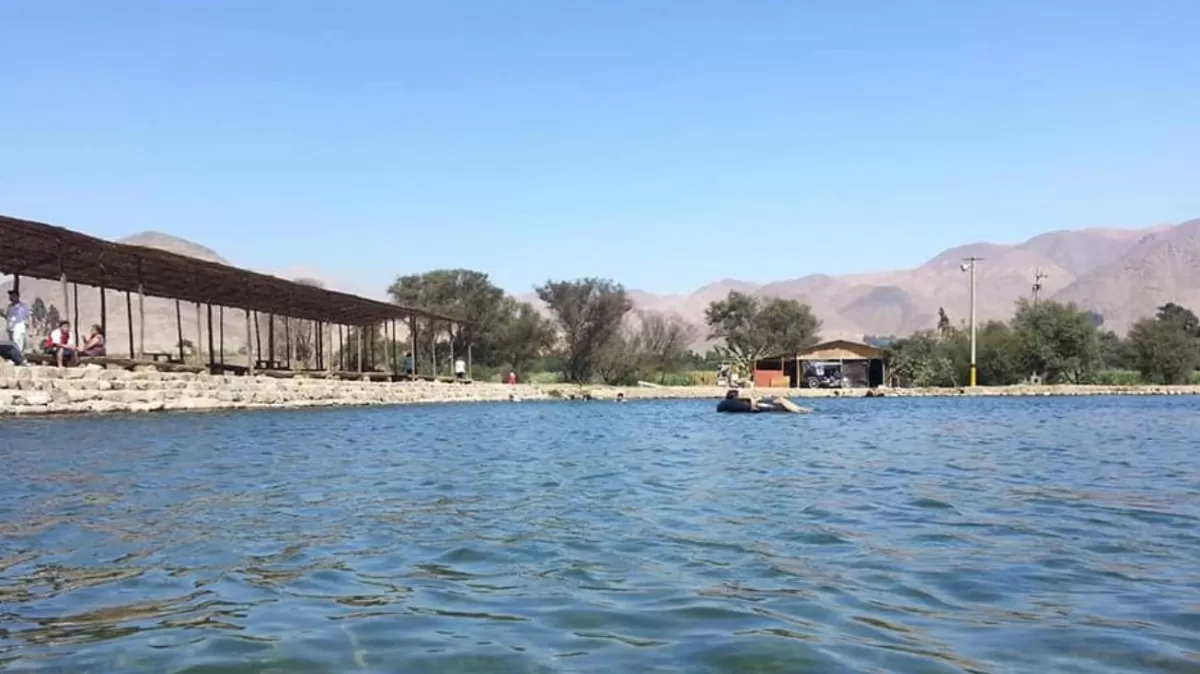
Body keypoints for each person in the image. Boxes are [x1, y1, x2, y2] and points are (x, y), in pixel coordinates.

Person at [5, 290, 29, 354]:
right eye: (10, 296)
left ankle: (17, 357)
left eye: (13, 296)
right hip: (10, 326)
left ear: (17, 296)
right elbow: (7, 316)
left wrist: (30, 327)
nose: (11, 297)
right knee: (11, 342)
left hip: (18, 325)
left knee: (17, 341)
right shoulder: (9, 306)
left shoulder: (23, 306)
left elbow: (28, 316)